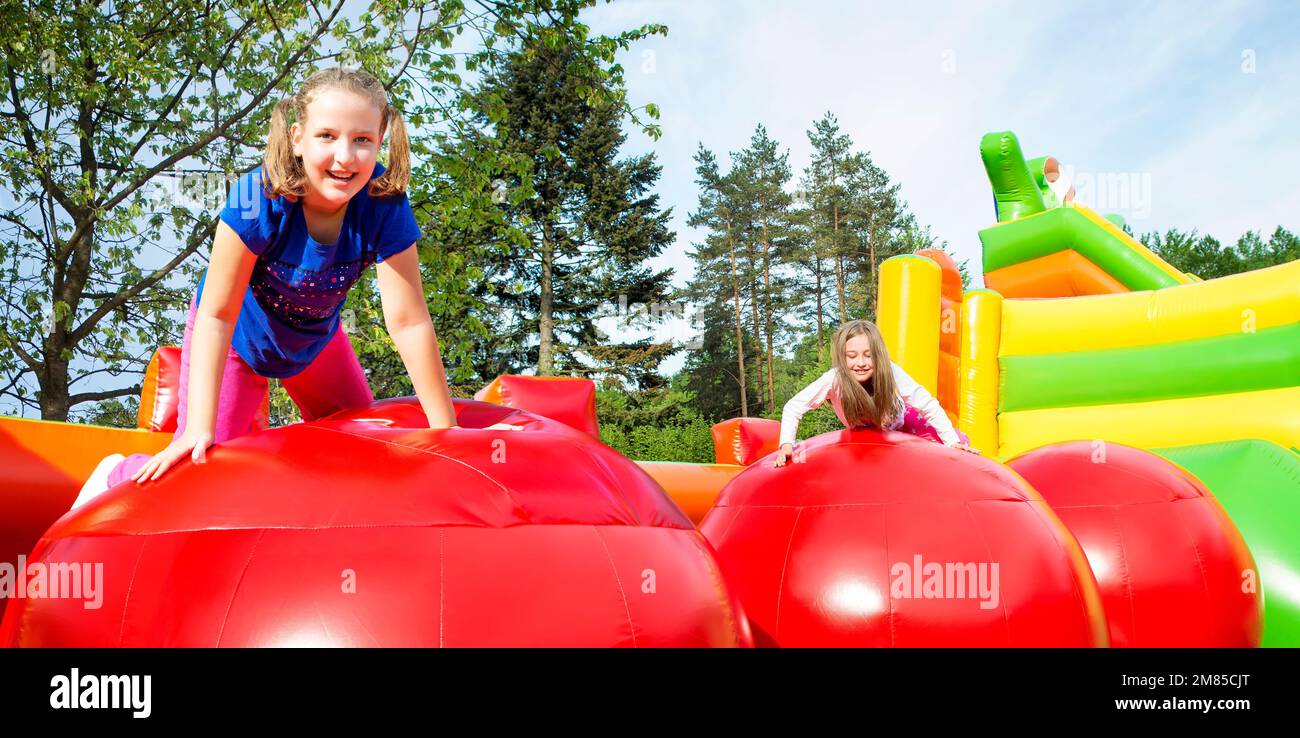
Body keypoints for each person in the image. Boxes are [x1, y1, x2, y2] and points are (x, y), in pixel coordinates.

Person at [75, 67, 458, 504]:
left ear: (382, 137)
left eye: (362, 140)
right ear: (297, 138)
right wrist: (200, 426)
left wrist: (447, 433)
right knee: (200, 463)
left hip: (314, 341)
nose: (345, 157)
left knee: (360, 449)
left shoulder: (382, 204)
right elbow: (217, 314)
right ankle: (115, 473)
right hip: (237, 337)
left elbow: (408, 323)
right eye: (327, 136)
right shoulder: (258, 198)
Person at [773, 319, 977, 467]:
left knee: (944, 449)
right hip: (867, 436)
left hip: (904, 425)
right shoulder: (834, 379)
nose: (860, 363)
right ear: (842, 358)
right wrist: (787, 444)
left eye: (868, 356)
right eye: (852, 356)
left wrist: (952, 442)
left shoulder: (888, 370)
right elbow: (794, 406)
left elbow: (926, 403)